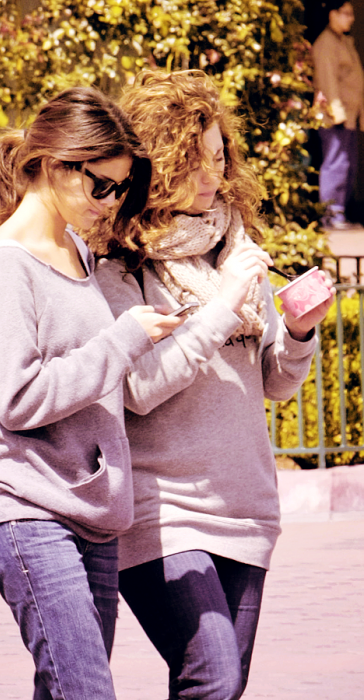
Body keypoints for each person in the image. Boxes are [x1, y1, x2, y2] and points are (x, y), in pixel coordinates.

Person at [85, 70, 335, 700]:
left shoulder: (234, 247)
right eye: (192, 162)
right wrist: (222, 307)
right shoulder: (123, 264)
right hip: (163, 510)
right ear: (158, 167)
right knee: (214, 677)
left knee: (216, 687)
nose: (211, 177)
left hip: (246, 507)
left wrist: (298, 331)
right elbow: (139, 387)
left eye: (219, 158)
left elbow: (275, 383)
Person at [0, 86, 183, 700]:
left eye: (120, 188)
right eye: (101, 185)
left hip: (91, 511)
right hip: (26, 508)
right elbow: (18, 398)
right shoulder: (4, 267)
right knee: (86, 691)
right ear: (56, 164)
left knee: (66, 690)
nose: (110, 203)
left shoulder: (77, 251)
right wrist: (123, 340)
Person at [312, 0, 364, 229]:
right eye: (346, 13)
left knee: (347, 164)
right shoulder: (326, 44)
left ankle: (339, 211)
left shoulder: (344, 41)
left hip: (348, 115)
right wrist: (337, 113)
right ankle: (331, 214)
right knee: (336, 163)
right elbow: (328, 82)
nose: (351, 18)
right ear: (332, 14)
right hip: (336, 117)